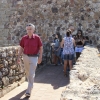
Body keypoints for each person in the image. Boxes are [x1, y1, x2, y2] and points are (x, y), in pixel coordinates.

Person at [17, 23, 43, 97]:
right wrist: (18, 56)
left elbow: (41, 48)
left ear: (33, 30)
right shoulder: (24, 38)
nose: (29, 30)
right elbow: (21, 48)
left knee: (31, 73)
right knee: (27, 72)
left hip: (34, 57)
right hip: (25, 57)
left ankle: (28, 90)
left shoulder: (37, 38)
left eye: (30, 29)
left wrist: (40, 57)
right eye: (27, 29)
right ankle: (30, 84)